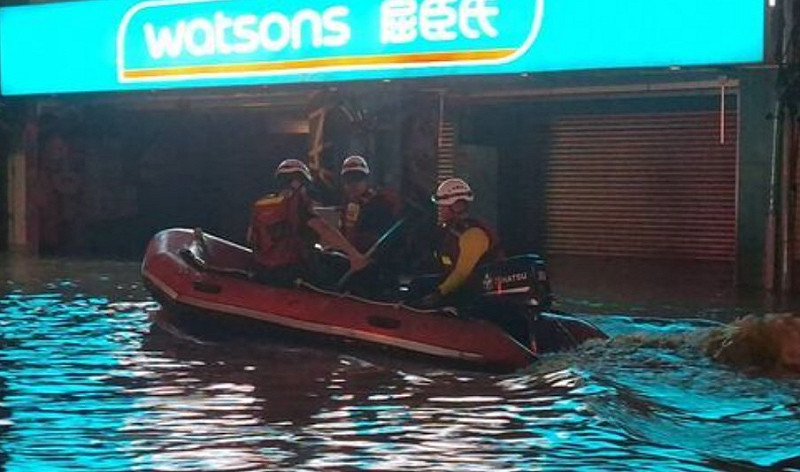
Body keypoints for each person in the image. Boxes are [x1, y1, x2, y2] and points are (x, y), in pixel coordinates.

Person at [247, 159, 368, 286]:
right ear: (297, 183)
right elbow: (323, 228)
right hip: (291, 270)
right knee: (341, 265)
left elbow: (250, 238)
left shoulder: (261, 204)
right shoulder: (296, 202)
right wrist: (354, 255)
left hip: (262, 271)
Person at [414, 178, 503, 308]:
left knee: (422, 291)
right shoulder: (452, 230)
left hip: (476, 291)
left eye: (443, 206)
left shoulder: (473, 234)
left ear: (457, 206)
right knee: (419, 284)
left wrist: (439, 293)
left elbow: (462, 273)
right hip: (460, 285)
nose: (441, 210)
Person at [339, 155, 401, 253]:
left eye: (358, 178)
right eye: (349, 179)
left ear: (366, 180)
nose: (353, 184)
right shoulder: (347, 204)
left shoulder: (380, 202)